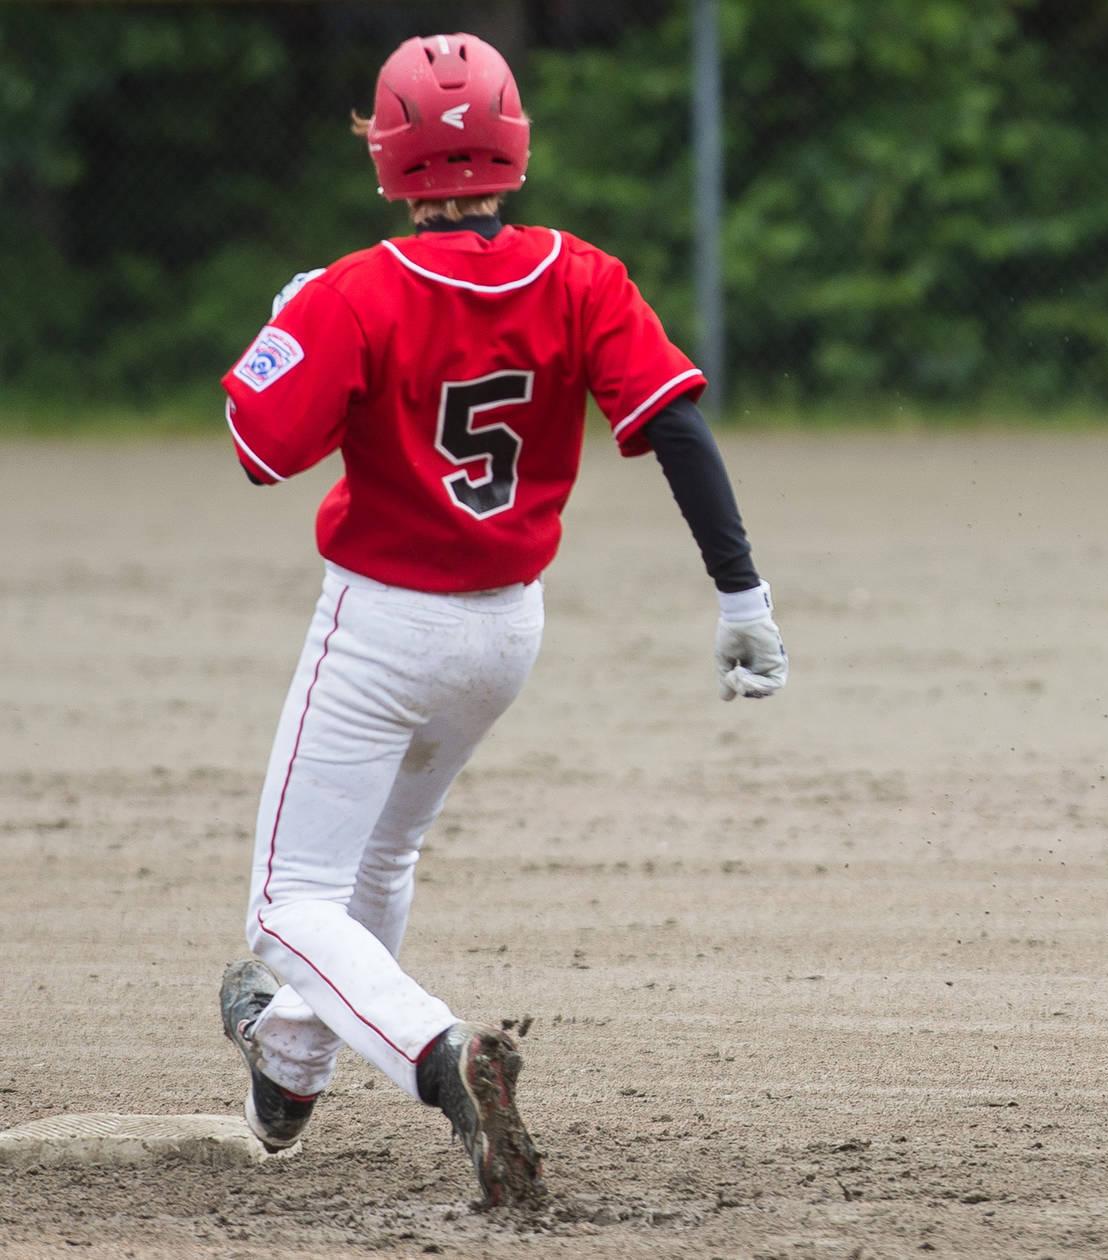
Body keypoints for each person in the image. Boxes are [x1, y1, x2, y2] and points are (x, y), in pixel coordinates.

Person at [214, 32, 787, 1205]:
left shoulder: (356, 290)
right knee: (380, 854)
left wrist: (284, 323)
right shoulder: (583, 274)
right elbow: (674, 426)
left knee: (287, 902)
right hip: (506, 632)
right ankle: (289, 1058)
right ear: (513, 148)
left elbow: (258, 450)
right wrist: (742, 593)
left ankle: (436, 1054)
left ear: (387, 155)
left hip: (384, 628)